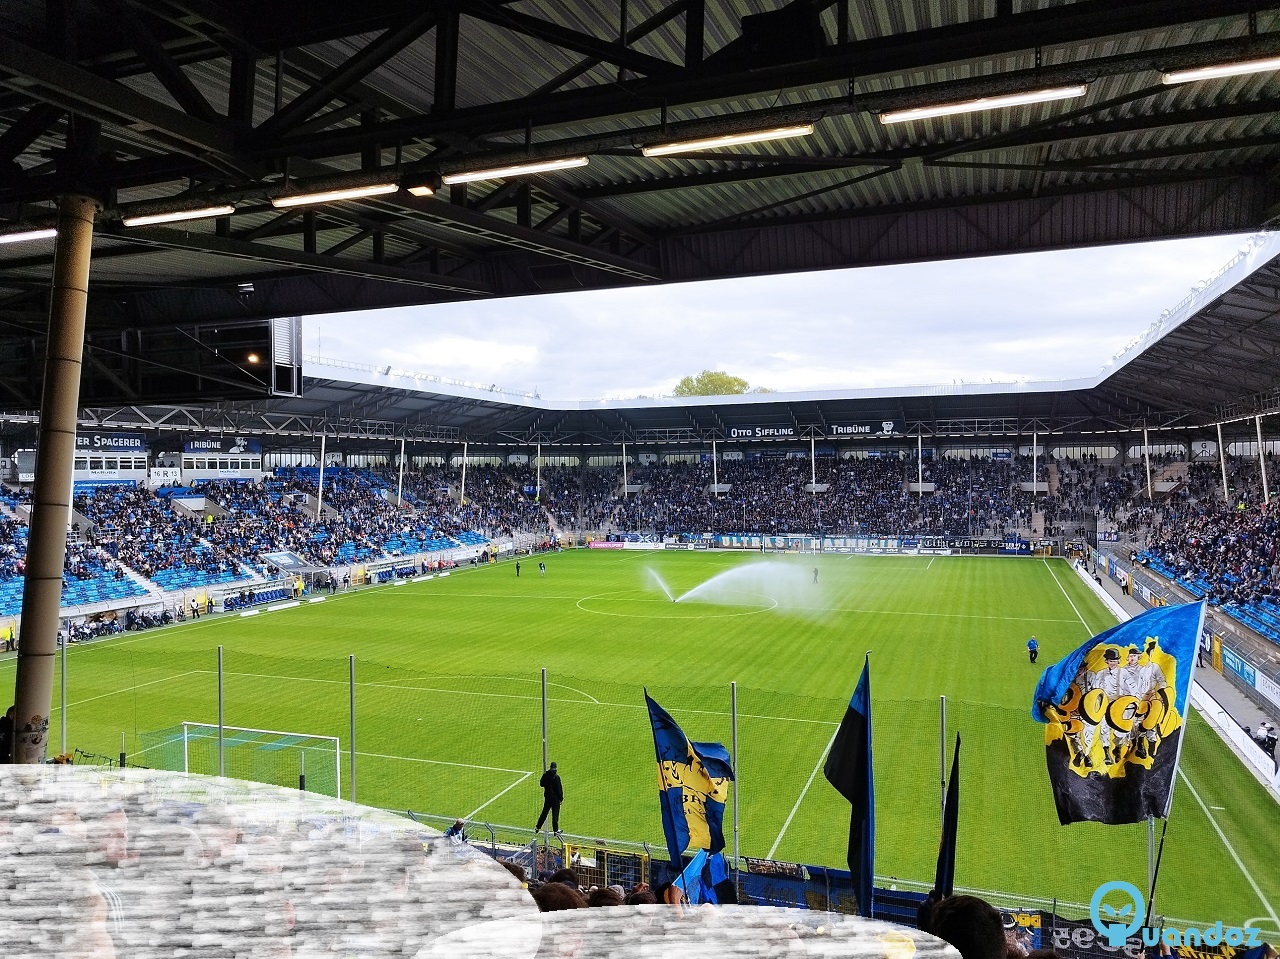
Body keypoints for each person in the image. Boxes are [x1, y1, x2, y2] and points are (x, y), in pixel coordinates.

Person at [536, 761, 563, 835]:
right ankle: (555, 830)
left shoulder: (545, 775)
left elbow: (541, 784)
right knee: (555, 815)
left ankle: (537, 827)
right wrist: (561, 798)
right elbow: (559, 789)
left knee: (544, 813)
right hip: (555, 799)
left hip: (547, 797)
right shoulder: (556, 777)